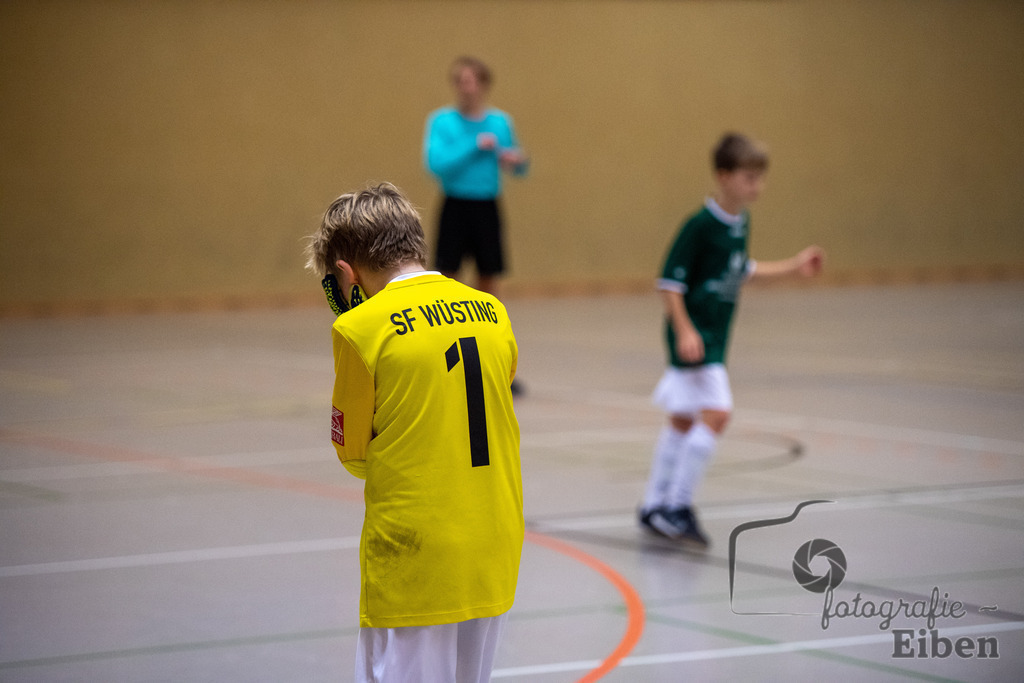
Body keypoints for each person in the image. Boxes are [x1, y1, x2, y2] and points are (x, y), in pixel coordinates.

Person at [304, 182, 524, 683]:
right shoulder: (492, 310)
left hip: (417, 554)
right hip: (494, 544)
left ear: (345, 272)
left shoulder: (359, 328)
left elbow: (354, 454)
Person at [639, 133, 825, 548]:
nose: (757, 186)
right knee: (718, 414)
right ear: (724, 177)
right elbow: (668, 282)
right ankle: (677, 506)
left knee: (683, 420)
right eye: (749, 178)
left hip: (715, 336)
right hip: (698, 337)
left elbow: (741, 270)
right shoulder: (700, 225)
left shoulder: (740, 223)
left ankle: (653, 505)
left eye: (761, 178)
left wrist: (794, 267)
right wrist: (685, 330)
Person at [423, 55, 528, 300]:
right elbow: (435, 163)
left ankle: (486, 315)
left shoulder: (500, 122)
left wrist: (517, 162)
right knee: (447, 270)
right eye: (460, 81)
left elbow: (516, 166)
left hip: (486, 204)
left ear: (483, 84)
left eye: (470, 81)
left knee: (489, 270)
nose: (465, 88)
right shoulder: (442, 121)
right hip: (455, 204)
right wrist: (474, 144)